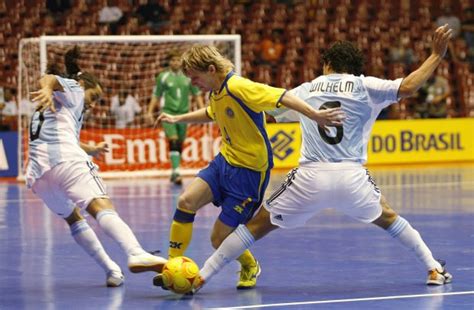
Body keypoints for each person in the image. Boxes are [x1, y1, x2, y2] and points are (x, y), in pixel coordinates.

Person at [193, 24, 454, 292]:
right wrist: (436, 55)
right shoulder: (366, 85)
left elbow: (264, 107)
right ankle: (433, 268)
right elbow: (409, 86)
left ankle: (201, 276)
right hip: (351, 177)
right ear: (354, 66)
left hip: (310, 177)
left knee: (255, 227)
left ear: (327, 64)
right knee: (390, 219)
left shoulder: (306, 89)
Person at [152, 44, 345, 290]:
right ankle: (172, 266)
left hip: (250, 173)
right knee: (185, 201)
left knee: (218, 239)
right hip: (225, 161)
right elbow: (212, 112)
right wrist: (178, 118)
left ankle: (250, 265)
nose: (193, 84)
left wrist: (315, 115)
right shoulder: (217, 90)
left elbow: (282, 95)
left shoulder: (238, 86)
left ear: (211, 69)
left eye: (195, 78)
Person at [26, 46, 167, 287]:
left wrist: (90, 148)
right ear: (84, 87)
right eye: (94, 97)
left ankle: (112, 270)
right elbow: (47, 79)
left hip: (39, 176)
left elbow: (58, 136)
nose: (93, 104)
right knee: (101, 205)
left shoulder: (51, 109)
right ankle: (135, 252)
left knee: (74, 218)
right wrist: (48, 88)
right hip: (66, 163)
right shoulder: (75, 90)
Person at [147, 50, 205, 185]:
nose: (175, 63)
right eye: (173, 60)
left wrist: (203, 110)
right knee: (173, 140)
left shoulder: (188, 76)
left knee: (179, 142)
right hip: (168, 113)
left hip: (184, 114)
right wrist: (149, 111)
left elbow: (196, 95)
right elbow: (156, 95)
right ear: (169, 62)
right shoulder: (163, 76)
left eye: (178, 60)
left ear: (182, 62)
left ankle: (175, 170)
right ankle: (176, 171)